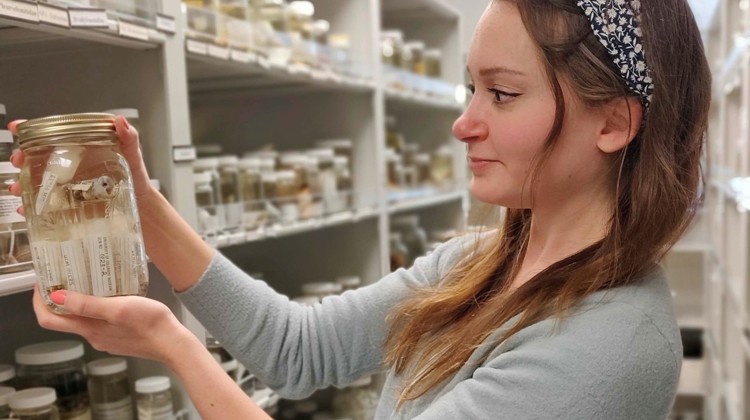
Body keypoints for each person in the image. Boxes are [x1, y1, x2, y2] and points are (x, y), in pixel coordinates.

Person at [9, 0, 710, 418]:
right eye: (471, 88)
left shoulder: (612, 341)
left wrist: (172, 344)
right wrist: (139, 198)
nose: (463, 123)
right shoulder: (479, 263)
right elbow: (297, 348)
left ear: (613, 123)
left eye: (502, 93)